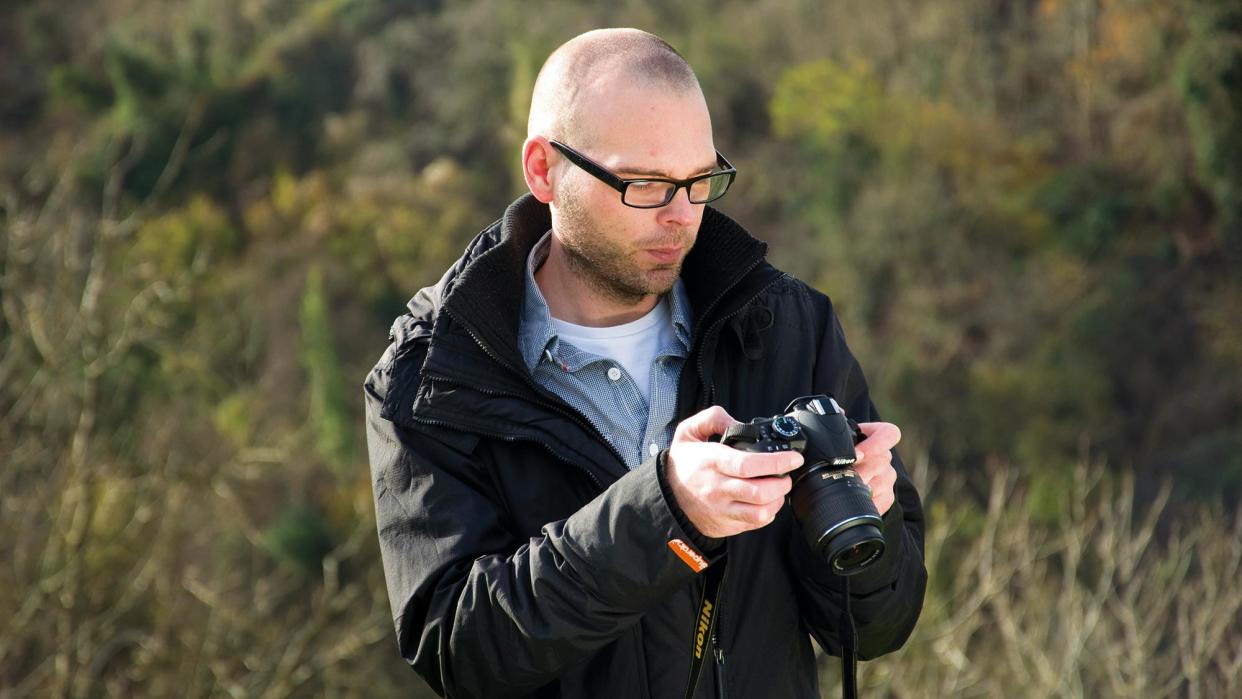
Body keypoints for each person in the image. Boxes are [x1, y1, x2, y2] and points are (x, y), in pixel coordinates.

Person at [364, 28, 926, 699]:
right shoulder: (434, 373)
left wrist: (871, 516)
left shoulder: (787, 326)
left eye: (699, 181)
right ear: (544, 170)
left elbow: (878, 626)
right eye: (645, 184)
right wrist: (667, 513)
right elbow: (461, 650)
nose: (680, 216)